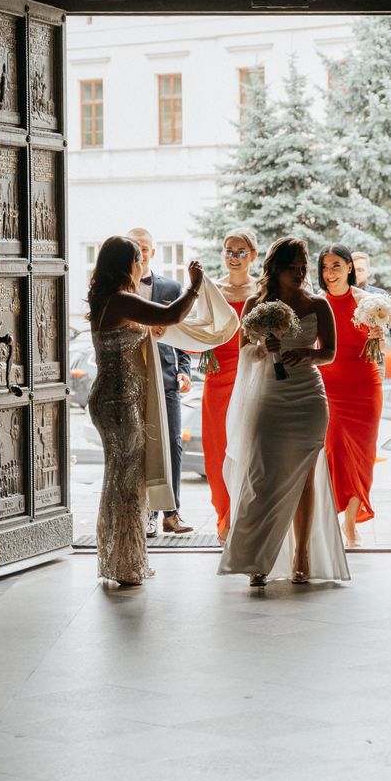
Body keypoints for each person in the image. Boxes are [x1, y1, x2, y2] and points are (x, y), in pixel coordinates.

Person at [218, 237, 350, 586]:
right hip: (269, 395)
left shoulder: (318, 304)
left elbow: (330, 353)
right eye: (292, 267)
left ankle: (301, 554)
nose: (299, 273)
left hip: (308, 397)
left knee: (305, 477)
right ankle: (257, 556)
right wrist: (264, 348)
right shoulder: (255, 304)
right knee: (262, 475)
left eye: (302, 267)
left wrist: (308, 354)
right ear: (275, 269)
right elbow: (244, 353)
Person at [86, 236, 202, 586]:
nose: (141, 266)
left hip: (114, 398)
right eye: (138, 260)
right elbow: (171, 314)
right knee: (126, 484)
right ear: (128, 265)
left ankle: (120, 559)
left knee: (121, 480)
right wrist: (194, 287)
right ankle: (124, 563)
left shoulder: (108, 298)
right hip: (120, 401)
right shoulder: (121, 300)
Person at [128, 226, 193, 535]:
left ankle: (172, 513)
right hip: (134, 377)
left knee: (173, 444)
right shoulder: (121, 290)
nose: (140, 252)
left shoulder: (171, 288)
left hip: (167, 377)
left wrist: (184, 369)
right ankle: (148, 514)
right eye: (134, 246)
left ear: (152, 252)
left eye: (144, 247)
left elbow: (181, 334)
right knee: (142, 446)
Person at [317, 244, 383, 548]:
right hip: (329, 386)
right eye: (325, 267)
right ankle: (330, 516)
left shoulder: (366, 301)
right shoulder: (317, 303)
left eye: (336, 266)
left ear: (349, 268)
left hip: (365, 387)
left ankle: (351, 522)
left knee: (363, 454)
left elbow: (379, 350)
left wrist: (377, 337)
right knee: (332, 450)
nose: (330, 273)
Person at [202, 229, 258, 542]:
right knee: (217, 449)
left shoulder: (262, 289)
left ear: (253, 256)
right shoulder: (212, 289)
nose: (233, 257)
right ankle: (225, 518)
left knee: (250, 449)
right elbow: (198, 329)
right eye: (228, 251)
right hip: (218, 374)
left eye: (240, 252)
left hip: (252, 374)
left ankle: (249, 518)